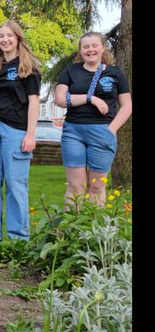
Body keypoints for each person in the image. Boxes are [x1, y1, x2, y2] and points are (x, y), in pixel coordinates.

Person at [0, 20, 41, 247]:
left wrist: (30, 134)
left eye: (9, 35)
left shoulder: (28, 65)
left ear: (18, 38)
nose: (5, 39)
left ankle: (18, 238)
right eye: (1, 36)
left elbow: (34, 102)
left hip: (16, 129)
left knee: (15, 183)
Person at [54, 31, 133, 207]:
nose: (90, 50)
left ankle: (94, 225)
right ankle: (73, 224)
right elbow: (60, 99)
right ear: (80, 51)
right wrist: (90, 98)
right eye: (86, 47)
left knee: (96, 186)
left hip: (102, 132)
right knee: (76, 186)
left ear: (103, 48)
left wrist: (112, 129)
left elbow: (127, 105)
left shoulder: (115, 73)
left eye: (94, 45)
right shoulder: (71, 71)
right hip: (73, 132)